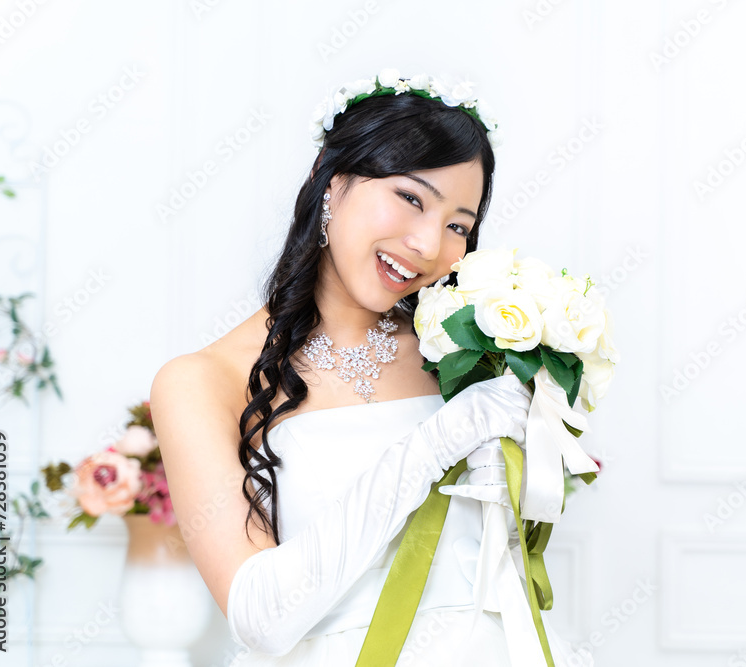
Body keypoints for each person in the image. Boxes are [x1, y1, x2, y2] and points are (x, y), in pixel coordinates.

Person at [149, 70, 593, 666]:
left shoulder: (463, 353)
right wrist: (439, 440)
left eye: (458, 226)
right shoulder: (201, 382)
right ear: (331, 182)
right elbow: (261, 618)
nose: (429, 245)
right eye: (411, 198)